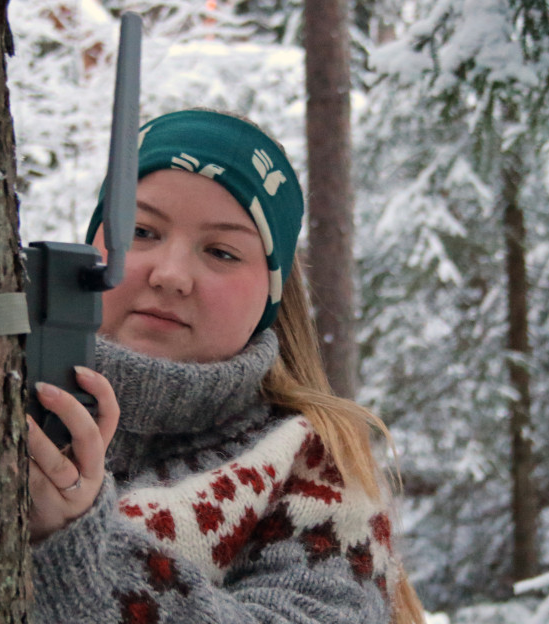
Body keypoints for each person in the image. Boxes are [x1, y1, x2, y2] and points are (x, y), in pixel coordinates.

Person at [26, 109, 425, 624]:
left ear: (271, 293)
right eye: (141, 231)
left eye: (221, 251)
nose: (171, 275)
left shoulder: (314, 462)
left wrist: (81, 553)